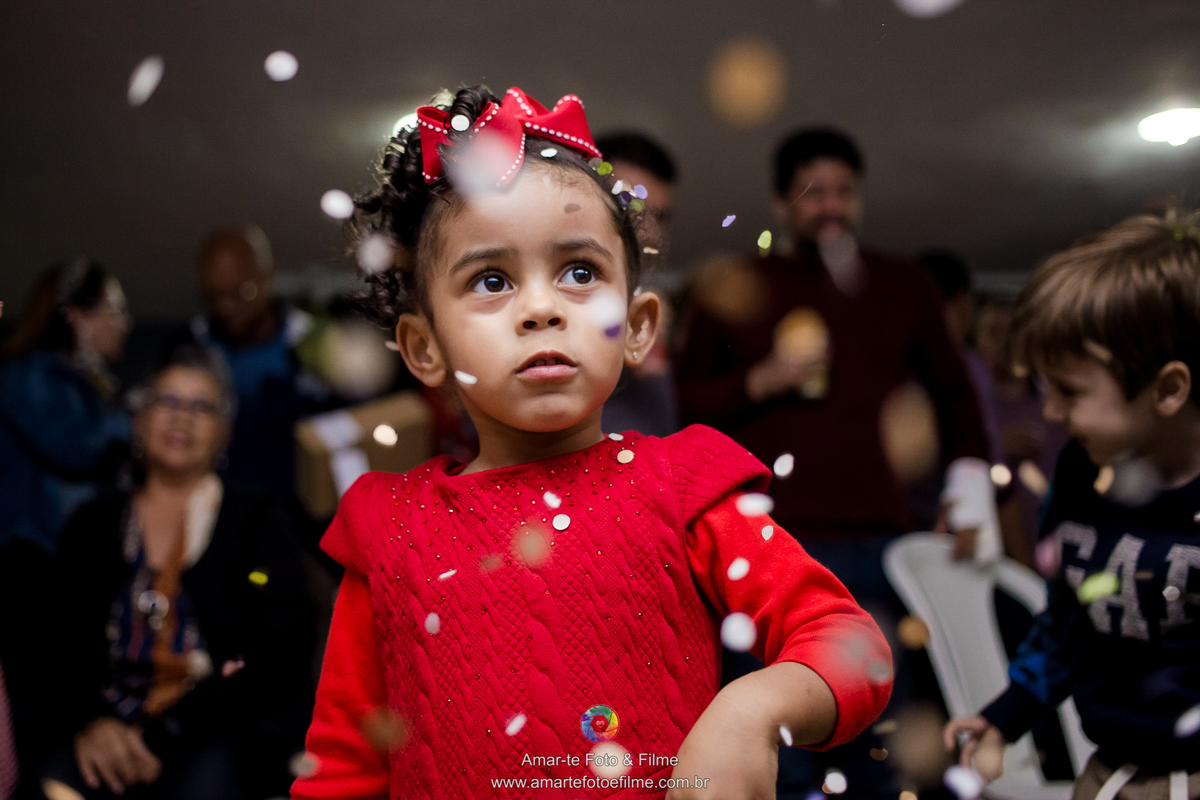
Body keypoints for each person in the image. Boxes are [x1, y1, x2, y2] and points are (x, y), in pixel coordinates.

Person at [291, 85, 892, 800]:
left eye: (580, 273)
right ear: (423, 347)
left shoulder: (685, 486)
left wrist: (752, 710)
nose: (542, 308)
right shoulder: (387, 526)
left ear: (637, 327)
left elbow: (854, 646)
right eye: (491, 279)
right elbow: (344, 770)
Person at [675, 129, 997, 797]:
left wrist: (970, 492)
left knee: (875, 734)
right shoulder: (735, 285)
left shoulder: (901, 284)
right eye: (812, 192)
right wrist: (761, 379)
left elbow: (956, 395)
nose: (830, 206)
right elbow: (685, 406)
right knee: (773, 733)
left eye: (843, 192)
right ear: (780, 202)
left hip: (878, 540)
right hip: (762, 544)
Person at [945, 210, 1200, 800]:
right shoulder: (1081, 474)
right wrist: (1004, 717)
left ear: (1167, 388)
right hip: (1110, 770)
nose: (1052, 413)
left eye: (1071, 392)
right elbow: (1066, 621)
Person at [41, 345, 315, 799]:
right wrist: (94, 723)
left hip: (218, 726)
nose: (181, 418)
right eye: (166, 401)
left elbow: (275, 650)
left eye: (200, 406)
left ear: (224, 434)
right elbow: (55, 647)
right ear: (138, 419)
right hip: (108, 726)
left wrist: (166, 732)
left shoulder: (256, 519)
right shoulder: (90, 525)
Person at [0, 259, 132, 793]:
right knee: (40, 722)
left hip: (54, 568)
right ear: (76, 318)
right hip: (27, 565)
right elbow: (75, 448)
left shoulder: (80, 387)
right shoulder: (29, 374)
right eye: (115, 310)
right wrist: (140, 420)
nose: (124, 322)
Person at [186, 225, 331, 503]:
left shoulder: (314, 344)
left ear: (267, 278)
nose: (225, 307)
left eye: (239, 292)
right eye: (213, 297)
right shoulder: (190, 347)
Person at [595, 132, 681, 438]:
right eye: (633, 210)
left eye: (659, 217)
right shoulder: (544, 288)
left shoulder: (646, 290)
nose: (649, 234)